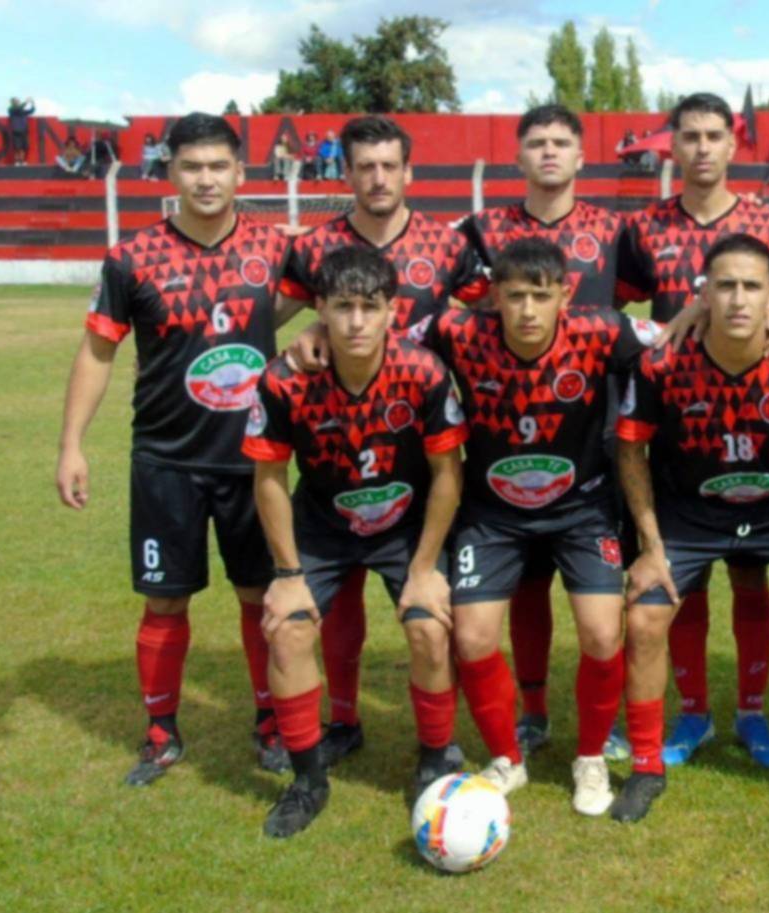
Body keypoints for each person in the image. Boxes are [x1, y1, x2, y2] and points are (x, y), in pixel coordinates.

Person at [55, 112, 304, 788]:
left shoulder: (275, 247)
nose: (205, 179)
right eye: (191, 166)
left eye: (218, 166)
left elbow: (338, 299)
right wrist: (72, 445)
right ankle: (161, 731)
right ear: (170, 173)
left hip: (254, 460)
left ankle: (270, 721)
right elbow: (98, 351)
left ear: (240, 173)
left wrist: (304, 338)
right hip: (165, 460)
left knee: (260, 594)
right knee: (165, 601)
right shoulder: (132, 257)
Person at [612, 233, 769, 828]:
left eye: (751, 286)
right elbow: (630, 451)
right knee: (646, 616)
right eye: (724, 285)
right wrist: (650, 546)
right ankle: (647, 767)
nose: (737, 299)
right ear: (702, 295)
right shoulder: (663, 365)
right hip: (692, 512)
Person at [415, 238, 656, 815]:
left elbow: (680, 339)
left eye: (541, 297)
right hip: (491, 513)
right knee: (472, 638)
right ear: (494, 295)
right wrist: (314, 333)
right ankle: (507, 759)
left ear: (565, 297)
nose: (527, 310)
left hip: (582, 508)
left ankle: (590, 757)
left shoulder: (603, 330)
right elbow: (381, 340)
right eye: (515, 296)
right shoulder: (455, 332)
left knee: (603, 634)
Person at [244, 244, 467, 838]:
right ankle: (307, 782)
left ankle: (434, 758)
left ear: (393, 310)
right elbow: (269, 479)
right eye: (343, 307)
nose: (357, 322)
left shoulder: (424, 372)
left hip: (405, 526)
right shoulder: (284, 380)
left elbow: (448, 474)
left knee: (429, 625)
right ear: (319, 309)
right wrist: (288, 575)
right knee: (287, 630)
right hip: (321, 524)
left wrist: (425, 568)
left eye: (370, 306)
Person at [279, 115, 479, 768]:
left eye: (389, 165)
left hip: (422, 450)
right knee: (335, 606)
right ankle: (343, 720)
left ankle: (439, 744)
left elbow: (495, 312)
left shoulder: (446, 246)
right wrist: (301, 333)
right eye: (364, 166)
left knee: (431, 615)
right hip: (336, 447)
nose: (378, 178)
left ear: (408, 171)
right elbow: (263, 317)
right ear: (346, 173)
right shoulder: (314, 248)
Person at [616, 93, 769, 770]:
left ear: (733, 143)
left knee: (750, 578)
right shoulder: (644, 227)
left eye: (713, 135)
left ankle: (752, 713)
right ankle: (693, 713)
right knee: (681, 579)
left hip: (757, 421)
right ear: (672, 145)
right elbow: (607, 310)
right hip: (678, 424)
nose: (700, 148)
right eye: (688, 135)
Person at [453, 105, 632, 763]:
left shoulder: (614, 229)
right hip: (504, 426)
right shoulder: (480, 230)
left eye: (561, 142)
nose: (549, 152)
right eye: (536, 143)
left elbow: (645, 307)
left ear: (581, 156)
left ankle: (604, 726)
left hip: (592, 430)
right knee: (525, 585)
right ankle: (531, 714)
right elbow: (437, 306)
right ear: (518, 155)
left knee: (602, 605)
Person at [7, 97, 35, 166]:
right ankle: (17, 161)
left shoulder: (22, 110)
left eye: (18, 101)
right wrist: (26, 102)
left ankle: (22, 161)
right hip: (16, 131)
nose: (18, 102)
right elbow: (18, 108)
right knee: (17, 147)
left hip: (24, 131)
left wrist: (32, 104)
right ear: (12, 102)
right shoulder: (11, 109)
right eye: (16, 101)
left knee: (24, 147)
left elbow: (31, 111)